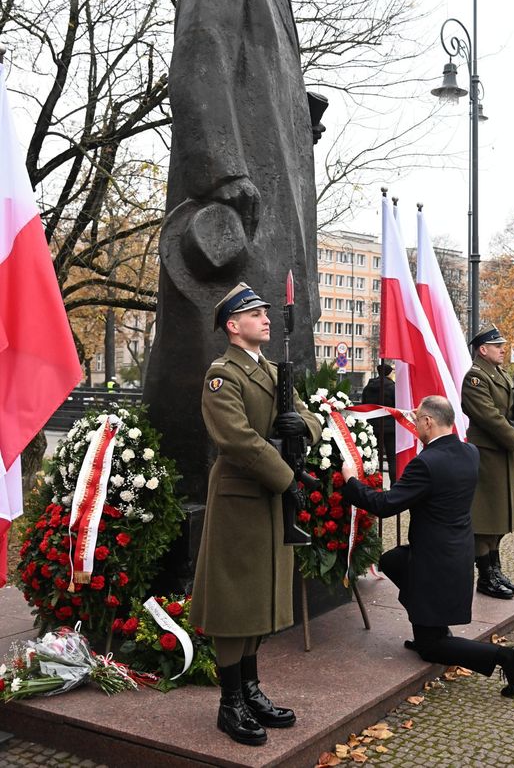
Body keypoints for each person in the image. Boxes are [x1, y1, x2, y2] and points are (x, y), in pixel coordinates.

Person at [144, 0, 321, 503]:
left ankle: (268, 488)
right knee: (211, 336)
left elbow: (255, 81)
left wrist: (301, 119)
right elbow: (200, 48)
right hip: (234, 200)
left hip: (273, 198)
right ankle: (192, 488)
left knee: (275, 333)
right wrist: (220, 168)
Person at [190, 281, 322, 746]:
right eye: (255, 314)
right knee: (235, 604)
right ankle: (230, 704)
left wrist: (299, 427)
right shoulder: (221, 376)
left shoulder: (269, 369)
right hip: (243, 500)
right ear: (233, 325)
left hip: (268, 501)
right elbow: (238, 441)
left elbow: (310, 417)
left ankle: (250, 689)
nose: (266, 319)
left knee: (261, 598)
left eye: (266, 313)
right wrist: (288, 478)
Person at [340, 395, 514, 698]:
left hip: (433, 563)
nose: (415, 425)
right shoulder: (469, 452)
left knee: (432, 648)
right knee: (391, 560)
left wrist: (351, 481)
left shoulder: (426, 463)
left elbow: (385, 505)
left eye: (417, 420)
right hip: (456, 552)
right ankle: (427, 618)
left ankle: (506, 658)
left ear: (428, 422)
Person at [461, 324, 514, 600]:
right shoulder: (475, 378)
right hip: (488, 452)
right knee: (484, 517)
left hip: (501, 452)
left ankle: (496, 569)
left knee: (500, 515)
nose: (503, 349)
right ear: (482, 349)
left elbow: (507, 408)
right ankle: (486, 576)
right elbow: (489, 416)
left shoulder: (498, 373)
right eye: (497, 345)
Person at [362, 362, 397, 484]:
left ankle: (374, 484)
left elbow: (363, 405)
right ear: (388, 373)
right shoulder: (393, 387)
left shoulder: (368, 387)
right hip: (390, 429)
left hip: (372, 428)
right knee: (393, 459)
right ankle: (394, 485)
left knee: (372, 458)